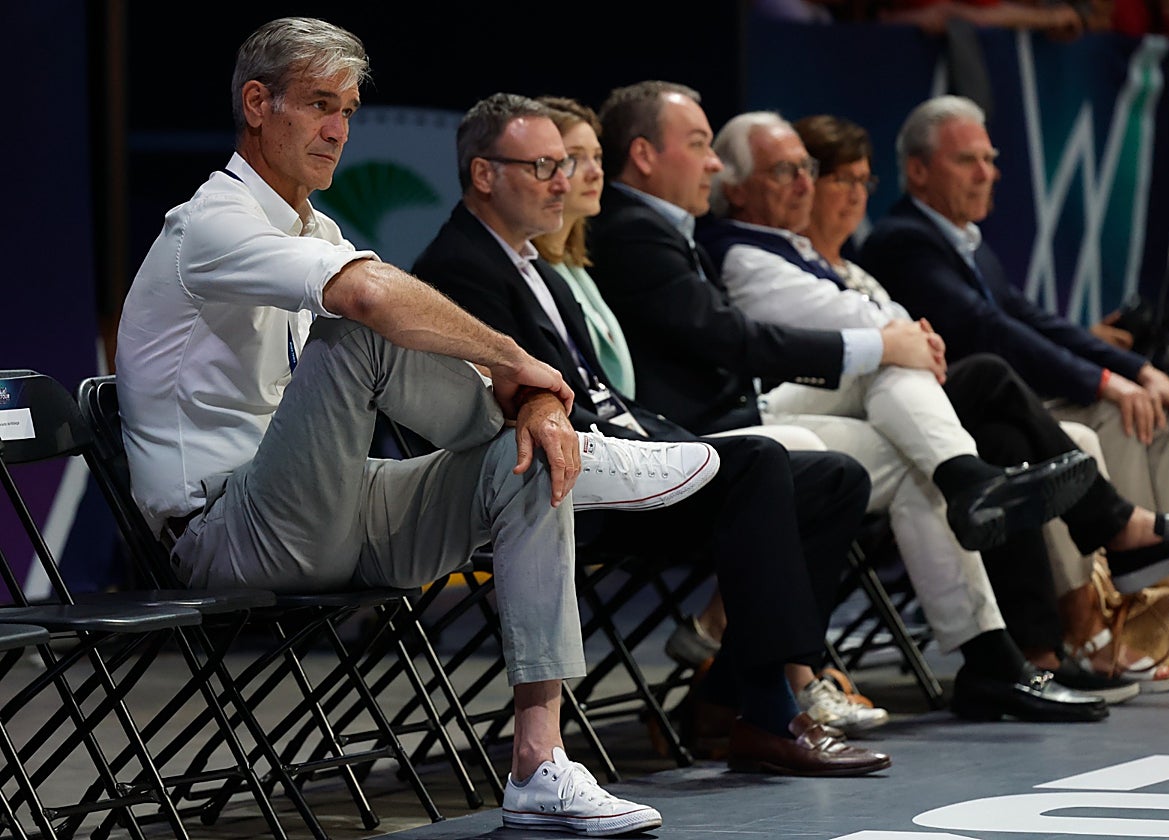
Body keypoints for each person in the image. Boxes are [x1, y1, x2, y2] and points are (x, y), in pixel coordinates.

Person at [113, 18, 728, 837]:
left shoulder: (316, 232)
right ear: (257, 105)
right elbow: (370, 304)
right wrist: (515, 361)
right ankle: (565, 440)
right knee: (363, 317)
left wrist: (534, 404)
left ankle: (539, 764)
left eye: (349, 111)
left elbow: (403, 322)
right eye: (319, 105)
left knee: (527, 462)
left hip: (328, 508)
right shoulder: (210, 224)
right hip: (227, 532)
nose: (338, 129)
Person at [410, 90, 895, 771]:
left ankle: (728, 693)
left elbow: (598, 389)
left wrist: (659, 440)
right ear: (484, 174)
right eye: (542, 166)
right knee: (757, 466)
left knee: (832, 478)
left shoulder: (533, 260)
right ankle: (770, 716)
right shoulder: (458, 267)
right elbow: (514, 405)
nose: (562, 180)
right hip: (553, 487)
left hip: (617, 456)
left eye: (564, 163)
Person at [699, 109, 1169, 692]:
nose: (812, 186)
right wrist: (903, 340)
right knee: (971, 378)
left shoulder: (825, 258)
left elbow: (930, 322)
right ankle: (1064, 547)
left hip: (874, 410)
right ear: (733, 186)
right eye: (791, 172)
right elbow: (883, 327)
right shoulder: (749, 251)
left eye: (813, 170)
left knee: (1006, 441)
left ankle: (1037, 649)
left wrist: (903, 338)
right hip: (793, 415)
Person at [858, 94, 1169, 597]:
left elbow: (1031, 318)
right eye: (966, 160)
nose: (986, 173)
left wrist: (1136, 372)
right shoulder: (903, 241)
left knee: (1148, 410)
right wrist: (1108, 385)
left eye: (990, 159)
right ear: (918, 170)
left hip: (999, 407)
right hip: (962, 426)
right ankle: (1127, 612)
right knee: (1121, 419)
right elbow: (989, 331)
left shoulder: (965, 241)